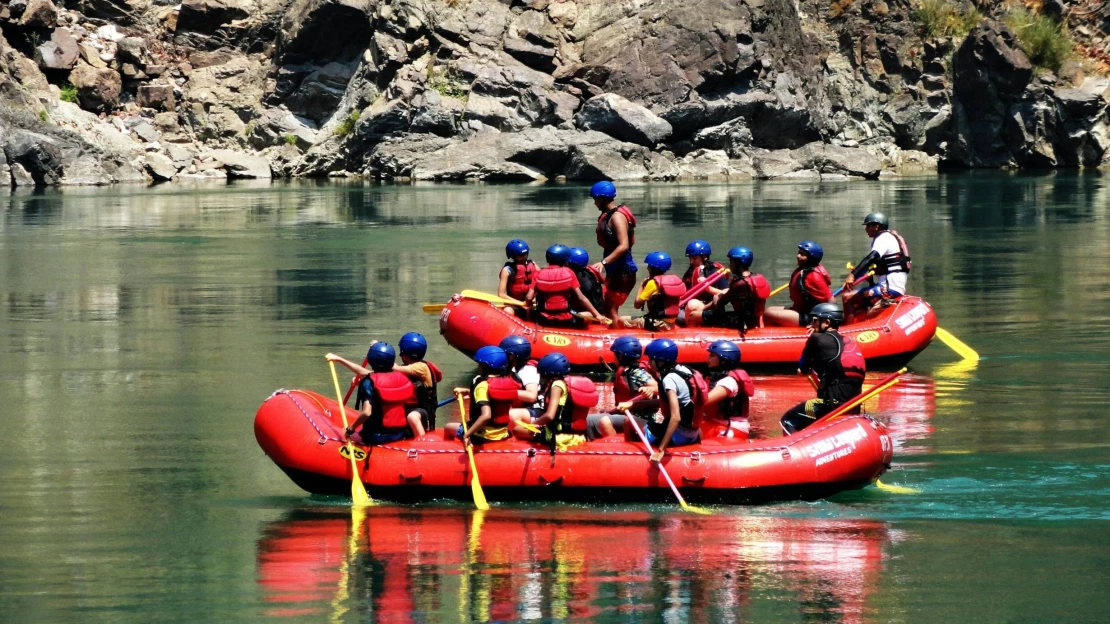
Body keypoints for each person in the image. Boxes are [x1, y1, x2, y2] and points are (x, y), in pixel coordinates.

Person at [780, 304, 866, 434]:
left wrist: (812, 338)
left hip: (830, 405)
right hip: (853, 407)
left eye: (815, 321)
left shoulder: (816, 339)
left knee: (788, 420)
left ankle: (795, 451)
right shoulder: (849, 341)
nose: (811, 325)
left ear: (826, 322)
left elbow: (802, 367)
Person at [327, 342, 425, 444]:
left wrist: (351, 429)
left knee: (345, 432)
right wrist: (339, 359)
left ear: (371, 360)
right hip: (399, 433)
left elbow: (366, 413)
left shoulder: (368, 382)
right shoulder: (400, 377)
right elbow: (363, 372)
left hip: (375, 436)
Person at [632, 338, 703, 462]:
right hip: (692, 434)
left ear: (661, 361)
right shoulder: (685, 370)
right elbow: (670, 403)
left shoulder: (668, 379)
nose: (648, 363)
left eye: (651, 360)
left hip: (679, 436)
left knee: (629, 422)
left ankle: (633, 461)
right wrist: (635, 405)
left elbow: (676, 417)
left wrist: (661, 450)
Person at [511, 352, 598, 451]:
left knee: (517, 430)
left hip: (556, 438)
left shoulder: (556, 385)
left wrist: (532, 424)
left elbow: (549, 415)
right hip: (577, 437)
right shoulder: (568, 384)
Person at [841, 212, 912, 322]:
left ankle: (847, 331)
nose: (866, 229)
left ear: (876, 226)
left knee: (847, 298)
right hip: (894, 286)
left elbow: (872, 257)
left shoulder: (883, 238)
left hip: (889, 288)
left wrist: (852, 275)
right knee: (857, 303)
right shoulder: (890, 237)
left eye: (867, 226)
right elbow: (877, 264)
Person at [446, 346, 523, 444]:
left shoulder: (482, 386)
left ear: (484, 366)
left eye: (480, 364)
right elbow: (494, 398)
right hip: (503, 434)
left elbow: (486, 416)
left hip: (482, 436)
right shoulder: (506, 383)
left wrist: (467, 434)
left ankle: (449, 450)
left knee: (448, 427)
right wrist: (469, 391)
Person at [586, 335, 658, 439]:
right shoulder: (627, 371)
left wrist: (651, 389)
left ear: (620, 356)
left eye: (614, 354)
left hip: (636, 418)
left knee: (589, 420)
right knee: (600, 414)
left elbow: (659, 388)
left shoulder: (637, 372)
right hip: (626, 415)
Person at [687, 246, 771, 330]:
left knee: (693, 315)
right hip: (754, 320)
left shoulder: (739, 284)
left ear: (738, 263)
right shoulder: (757, 278)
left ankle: (690, 339)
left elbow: (720, 303)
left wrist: (716, 298)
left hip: (739, 321)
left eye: (731, 261)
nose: (729, 265)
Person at [526, 244, 609, 328]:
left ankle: (530, 329)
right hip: (566, 320)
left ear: (547, 258)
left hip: (543, 320)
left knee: (529, 309)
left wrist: (529, 303)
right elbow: (581, 298)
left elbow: (529, 297)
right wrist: (597, 315)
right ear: (565, 260)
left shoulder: (538, 273)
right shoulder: (569, 273)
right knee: (589, 314)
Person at [590, 181, 638, 325]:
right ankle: (613, 332)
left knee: (611, 309)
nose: (594, 203)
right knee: (607, 307)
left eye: (595, 199)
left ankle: (616, 338)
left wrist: (603, 263)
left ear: (603, 198)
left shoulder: (617, 217)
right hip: (616, 271)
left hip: (623, 272)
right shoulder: (610, 215)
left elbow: (624, 246)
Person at [763, 241, 834, 327]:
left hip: (811, 317)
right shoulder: (802, 271)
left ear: (811, 258)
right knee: (769, 309)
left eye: (802, 254)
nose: (798, 256)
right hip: (800, 309)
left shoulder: (814, 276)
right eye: (799, 253)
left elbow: (831, 302)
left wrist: (821, 324)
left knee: (768, 314)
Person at [701, 340, 755, 438]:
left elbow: (704, 401)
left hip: (731, 428)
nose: (707, 358)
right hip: (716, 423)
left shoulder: (729, 381)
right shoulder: (713, 377)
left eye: (712, 355)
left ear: (724, 360)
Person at [624, 251, 686, 330]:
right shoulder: (674, 280)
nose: (647, 268)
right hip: (671, 323)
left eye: (649, 266)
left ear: (653, 268)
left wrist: (642, 285)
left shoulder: (653, 283)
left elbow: (637, 305)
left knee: (622, 320)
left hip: (657, 324)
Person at [394, 332, 443, 432]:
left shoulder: (420, 367)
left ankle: (422, 442)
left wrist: (378, 351)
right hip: (413, 415)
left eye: (401, 352)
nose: (400, 355)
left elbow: (393, 368)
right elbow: (386, 373)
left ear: (407, 353)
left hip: (422, 417)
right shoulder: (411, 367)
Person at [680, 240, 730, 324]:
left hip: (709, 308)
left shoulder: (714, 271)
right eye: (690, 258)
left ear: (705, 257)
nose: (691, 262)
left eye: (695, 258)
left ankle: (690, 329)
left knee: (692, 304)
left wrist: (707, 287)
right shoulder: (690, 271)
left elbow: (727, 293)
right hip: (687, 308)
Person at [501, 335, 542, 426]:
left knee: (510, 414)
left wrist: (504, 392)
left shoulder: (528, 370)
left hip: (537, 411)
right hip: (524, 410)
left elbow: (531, 396)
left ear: (511, 356)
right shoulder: (513, 370)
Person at [497, 238, 537, 316]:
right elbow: (501, 294)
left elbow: (541, 282)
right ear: (513, 256)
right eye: (521, 255)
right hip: (515, 304)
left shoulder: (533, 264)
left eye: (526, 254)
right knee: (508, 310)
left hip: (532, 303)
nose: (524, 257)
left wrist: (535, 299)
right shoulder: (507, 270)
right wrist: (521, 304)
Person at [567, 246, 606, 316]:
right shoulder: (590, 272)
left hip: (587, 311)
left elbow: (581, 298)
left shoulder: (575, 277)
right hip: (599, 309)